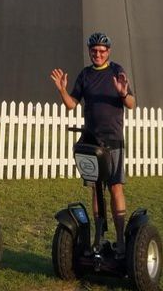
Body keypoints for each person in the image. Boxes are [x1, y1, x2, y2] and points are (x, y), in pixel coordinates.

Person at [50, 32, 136, 257]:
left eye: (102, 51)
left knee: (115, 187)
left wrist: (123, 92)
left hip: (113, 140)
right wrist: (61, 90)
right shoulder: (85, 75)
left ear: (108, 52)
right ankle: (98, 239)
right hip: (91, 142)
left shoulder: (117, 71)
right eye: (94, 50)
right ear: (89, 51)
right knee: (96, 190)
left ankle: (119, 241)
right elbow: (72, 105)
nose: (97, 54)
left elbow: (132, 104)